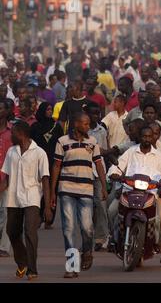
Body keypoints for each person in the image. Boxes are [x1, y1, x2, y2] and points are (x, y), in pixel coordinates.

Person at [108, 126, 161, 265]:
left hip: (151, 194)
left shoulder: (159, 156)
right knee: (111, 211)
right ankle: (114, 238)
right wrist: (114, 173)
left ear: (154, 138)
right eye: (144, 136)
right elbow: (117, 166)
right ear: (139, 137)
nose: (146, 139)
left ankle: (158, 242)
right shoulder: (130, 152)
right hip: (128, 191)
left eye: (149, 136)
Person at [51, 112, 108, 278]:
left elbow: (99, 165)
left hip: (86, 189)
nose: (87, 126)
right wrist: (54, 191)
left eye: (88, 123)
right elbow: (56, 166)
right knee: (69, 229)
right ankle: (71, 266)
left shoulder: (92, 142)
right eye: (84, 123)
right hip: (66, 189)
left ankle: (87, 252)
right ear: (76, 124)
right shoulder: (62, 141)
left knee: (87, 228)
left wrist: (104, 187)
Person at [0, 121, 50, 280]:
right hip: (13, 198)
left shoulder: (39, 152)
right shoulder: (11, 152)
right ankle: (22, 263)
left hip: (32, 197)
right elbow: (6, 179)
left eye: (13, 132)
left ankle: (32, 269)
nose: (11, 135)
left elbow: (45, 180)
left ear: (21, 133)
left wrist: (48, 206)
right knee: (12, 232)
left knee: (30, 231)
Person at [30, 102, 64, 229]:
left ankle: (49, 219)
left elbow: (61, 145)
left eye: (51, 109)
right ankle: (38, 216)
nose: (50, 112)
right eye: (48, 109)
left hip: (53, 163)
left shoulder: (56, 127)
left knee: (52, 189)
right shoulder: (35, 127)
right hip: (37, 163)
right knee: (38, 190)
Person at [84, 102, 109, 251]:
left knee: (101, 204)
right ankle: (87, 237)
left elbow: (103, 151)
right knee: (86, 206)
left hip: (99, 171)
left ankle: (102, 237)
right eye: (93, 113)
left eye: (98, 113)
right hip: (84, 171)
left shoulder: (101, 130)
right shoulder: (81, 130)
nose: (96, 116)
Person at [0, 99, 12, 258]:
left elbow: (14, 157)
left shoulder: (12, 132)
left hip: (7, 178)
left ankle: (4, 246)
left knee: (6, 212)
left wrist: (7, 179)